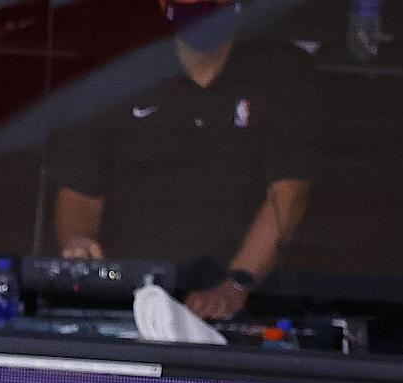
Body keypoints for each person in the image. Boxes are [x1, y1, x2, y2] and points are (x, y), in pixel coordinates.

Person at [52, 0, 319, 319]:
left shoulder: (281, 70)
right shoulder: (118, 72)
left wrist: (235, 284)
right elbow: (79, 192)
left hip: (241, 308)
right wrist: (80, 245)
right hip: (128, 301)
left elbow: (288, 195)